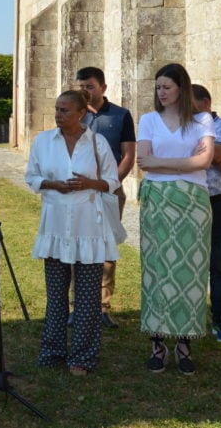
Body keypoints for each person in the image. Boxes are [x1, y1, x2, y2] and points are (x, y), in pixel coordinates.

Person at [25, 90, 121, 376]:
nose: (58, 115)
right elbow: (31, 177)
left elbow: (113, 180)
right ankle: (53, 351)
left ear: (82, 113)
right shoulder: (43, 141)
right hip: (55, 226)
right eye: (56, 109)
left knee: (88, 298)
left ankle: (82, 356)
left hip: (88, 228)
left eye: (64, 110)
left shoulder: (97, 141)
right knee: (55, 296)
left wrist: (90, 182)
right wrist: (54, 185)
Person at [136, 63, 215, 375]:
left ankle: (184, 346)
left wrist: (161, 162)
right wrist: (184, 163)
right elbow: (144, 162)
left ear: (182, 88)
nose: (161, 92)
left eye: (167, 87)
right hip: (157, 201)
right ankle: (157, 346)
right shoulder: (148, 120)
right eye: (158, 88)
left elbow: (205, 160)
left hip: (193, 203)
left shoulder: (201, 120)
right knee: (156, 269)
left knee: (189, 272)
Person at [76, 66, 136, 328]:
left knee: (106, 247)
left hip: (110, 191)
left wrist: (110, 184)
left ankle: (102, 307)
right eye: (81, 87)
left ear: (103, 87)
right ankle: (75, 307)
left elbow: (128, 156)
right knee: (77, 245)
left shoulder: (121, 116)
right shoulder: (73, 115)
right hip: (78, 192)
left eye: (89, 86)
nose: (85, 92)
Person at [191, 84, 221, 343]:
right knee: (188, 261)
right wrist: (214, 156)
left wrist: (213, 154)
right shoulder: (185, 126)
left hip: (216, 202)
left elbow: (219, 151)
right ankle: (189, 316)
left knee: (217, 263)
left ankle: (220, 320)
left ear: (206, 103)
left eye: (193, 106)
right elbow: (214, 154)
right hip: (188, 201)